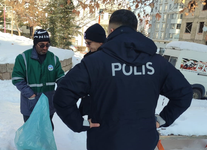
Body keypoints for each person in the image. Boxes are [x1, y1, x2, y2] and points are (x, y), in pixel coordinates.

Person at [53, 9, 192, 150]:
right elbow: (184, 92)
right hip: (143, 141)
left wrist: (78, 123)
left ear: (111, 31)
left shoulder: (95, 63)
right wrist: (164, 118)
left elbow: (63, 95)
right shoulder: (158, 63)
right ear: (135, 29)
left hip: (105, 141)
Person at [12, 29, 64, 130]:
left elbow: (60, 76)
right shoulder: (23, 58)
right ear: (35, 44)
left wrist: (64, 88)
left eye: (47, 45)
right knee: (32, 132)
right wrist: (30, 94)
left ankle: (45, 146)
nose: (45, 48)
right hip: (30, 103)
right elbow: (17, 79)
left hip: (48, 104)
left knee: (47, 131)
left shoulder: (53, 58)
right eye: (41, 45)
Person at [79, 23, 106, 117]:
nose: (87, 46)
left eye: (89, 43)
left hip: (105, 107)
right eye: (86, 42)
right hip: (91, 106)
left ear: (100, 42)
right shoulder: (88, 58)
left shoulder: (110, 58)